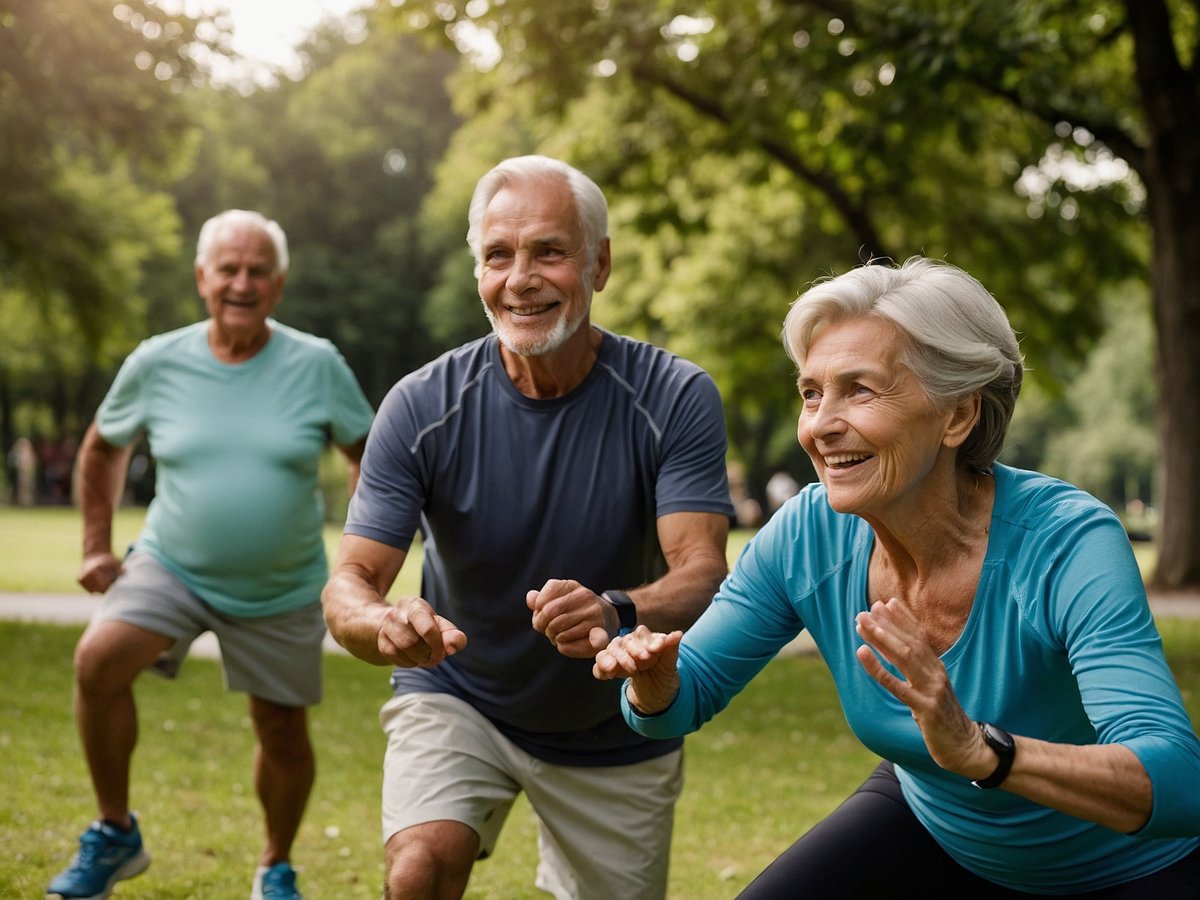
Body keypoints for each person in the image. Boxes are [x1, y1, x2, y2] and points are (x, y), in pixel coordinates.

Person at [595, 256, 1200, 897]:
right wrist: (656, 686)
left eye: (859, 390)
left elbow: (1179, 780)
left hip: (1122, 867)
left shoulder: (1066, 543)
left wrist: (982, 751)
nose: (820, 425)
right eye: (811, 392)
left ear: (958, 416)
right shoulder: (808, 535)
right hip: (937, 828)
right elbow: (685, 697)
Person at [321, 154, 734, 900]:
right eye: (498, 256)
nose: (522, 278)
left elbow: (702, 573)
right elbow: (349, 584)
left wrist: (616, 610)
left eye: (550, 251)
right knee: (418, 868)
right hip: (460, 694)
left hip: (616, 727)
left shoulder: (674, 395)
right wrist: (384, 624)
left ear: (599, 263)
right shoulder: (421, 405)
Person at [47, 209, 375, 900]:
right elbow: (104, 445)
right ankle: (115, 833)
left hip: (282, 583)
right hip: (172, 564)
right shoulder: (158, 360)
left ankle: (274, 866)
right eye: (228, 268)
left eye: (258, 270)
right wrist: (95, 546)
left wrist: (359, 556)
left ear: (279, 284)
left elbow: (369, 455)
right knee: (97, 662)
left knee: (282, 733)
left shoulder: (316, 364)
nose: (242, 282)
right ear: (202, 277)